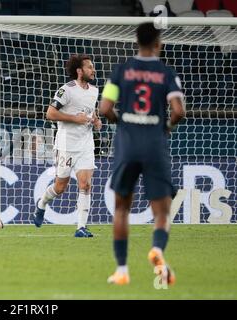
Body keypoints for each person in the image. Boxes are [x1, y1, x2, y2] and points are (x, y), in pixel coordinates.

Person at [99, 22, 185, 285]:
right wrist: (165, 128)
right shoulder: (166, 72)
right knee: (161, 212)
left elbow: (104, 109)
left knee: (122, 209)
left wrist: (121, 121)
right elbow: (179, 110)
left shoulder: (120, 71)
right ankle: (157, 250)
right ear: (158, 43)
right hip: (154, 144)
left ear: (136, 41)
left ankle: (122, 271)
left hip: (127, 144)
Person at [33, 54, 102, 237]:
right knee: (60, 187)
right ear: (79, 71)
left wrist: (96, 120)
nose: (93, 70)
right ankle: (42, 203)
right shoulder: (67, 90)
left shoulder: (94, 90)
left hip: (86, 144)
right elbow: (50, 113)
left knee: (85, 184)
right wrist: (74, 118)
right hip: (66, 144)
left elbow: (90, 111)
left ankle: (81, 227)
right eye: (89, 67)